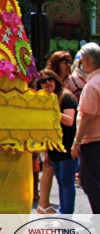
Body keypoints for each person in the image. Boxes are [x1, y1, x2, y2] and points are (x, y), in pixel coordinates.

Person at [41, 69, 79, 214]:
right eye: (43, 81)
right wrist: (46, 150)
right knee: (61, 182)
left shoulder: (66, 96)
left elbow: (69, 121)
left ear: (56, 79)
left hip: (68, 146)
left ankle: (66, 217)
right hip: (54, 147)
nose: (47, 83)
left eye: (50, 79)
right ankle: (64, 215)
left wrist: (53, 109)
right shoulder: (45, 98)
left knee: (66, 181)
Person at [72, 42, 100, 212]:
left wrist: (77, 142)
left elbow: (87, 117)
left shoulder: (92, 86)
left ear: (87, 61)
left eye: (81, 61)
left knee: (93, 184)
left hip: (93, 144)